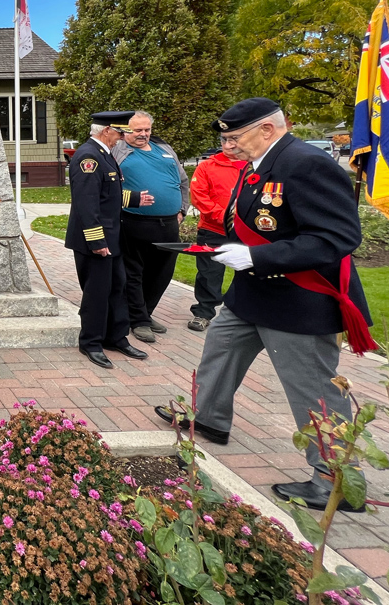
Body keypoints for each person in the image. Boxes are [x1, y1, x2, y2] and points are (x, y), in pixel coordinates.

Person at [155, 98, 374, 512]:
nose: (228, 145)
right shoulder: (260, 165)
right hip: (253, 294)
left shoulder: (306, 163)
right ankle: (209, 419)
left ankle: (338, 483)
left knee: (312, 390)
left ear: (268, 130)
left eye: (234, 137)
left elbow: (335, 238)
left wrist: (256, 257)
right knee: (219, 350)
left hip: (298, 298)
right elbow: (260, 224)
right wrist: (226, 248)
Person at [65, 111, 154, 369]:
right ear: (106, 131)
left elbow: (108, 195)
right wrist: (96, 241)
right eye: (120, 131)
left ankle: (115, 337)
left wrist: (135, 199)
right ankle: (91, 342)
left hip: (111, 238)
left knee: (117, 287)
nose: (124, 136)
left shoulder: (104, 154)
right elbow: (87, 203)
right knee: (97, 293)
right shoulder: (89, 157)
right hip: (95, 241)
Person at [111, 111, 190, 343]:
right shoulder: (118, 151)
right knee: (134, 272)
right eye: (137, 130)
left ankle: (146, 312)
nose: (143, 134)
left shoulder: (164, 150)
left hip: (168, 223)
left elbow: (183, 181)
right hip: (134, 221)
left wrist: (182, 210)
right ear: (126, 131)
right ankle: (138, 320)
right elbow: (107, 185)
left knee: (162, 273)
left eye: (147, 130)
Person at [186, 139, 245, 332]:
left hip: (247, 231)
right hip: (213, 229)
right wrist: (225, 217)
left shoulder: (255, 166)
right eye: (225, 140)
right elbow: (199, 196)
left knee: (248, 272)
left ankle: (244, 313)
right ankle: (203, 313)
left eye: (234, 140)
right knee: (209, 273)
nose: (229, 145)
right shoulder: (207, 167)